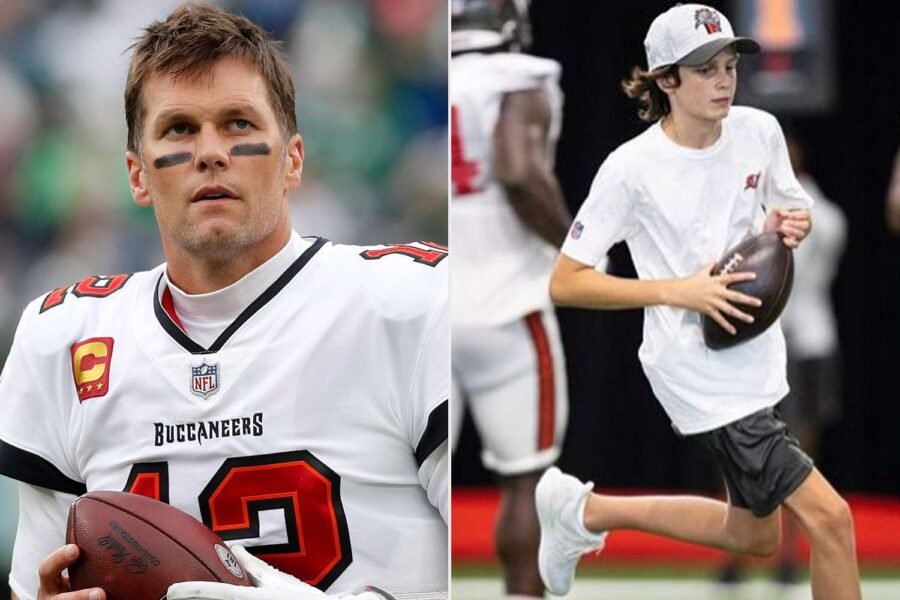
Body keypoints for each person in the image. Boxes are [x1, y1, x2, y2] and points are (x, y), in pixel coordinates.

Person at [0, 4, 448, 600]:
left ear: (292, 158)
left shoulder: (409, 303)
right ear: (136, 175)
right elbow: (36, 584)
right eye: (179, 129)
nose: (210, 152)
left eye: (238, 124)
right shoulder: (64, 337)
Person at [534, 5, 860, 600]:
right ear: (666, 81)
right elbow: (566, 281)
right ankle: (579, 512)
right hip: (696, 365)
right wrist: (679, 290)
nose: (724, 80)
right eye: (706, 69)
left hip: (757, 354)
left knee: (756, 536)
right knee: (833, 521)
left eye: (730, 65)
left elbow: (789, 210)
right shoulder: (630, 169)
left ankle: (584, 511)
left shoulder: (759, 132)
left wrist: (789, 223)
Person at [449, 1, 571, 597]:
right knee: (527, 484)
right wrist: (577, 244)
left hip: (426, 312)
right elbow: (518, 171)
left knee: (408, 483)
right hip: (508, 306)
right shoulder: (519, 78)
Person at [716, 136, 848, 585]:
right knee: (745, 444)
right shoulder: (758, 215)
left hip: (805, 340)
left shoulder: (823, 217)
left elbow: (783, 276)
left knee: (799, 451)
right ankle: (739, 558)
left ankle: (789, 554)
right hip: (770, 343)